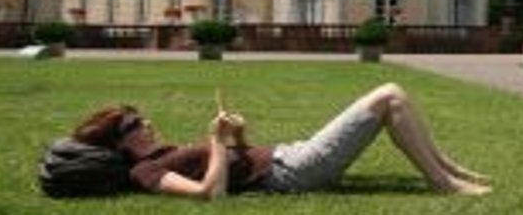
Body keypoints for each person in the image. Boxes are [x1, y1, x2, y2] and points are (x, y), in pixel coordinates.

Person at [70, 83, 491, 199]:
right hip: (294, 172)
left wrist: (235, 135)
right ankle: (443, 181)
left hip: (290, 156)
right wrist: (215, 141)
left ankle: (447, 170)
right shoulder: (146, 170)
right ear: (122, 144)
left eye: (139, 117)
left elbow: (236, 163)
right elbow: (207, 194)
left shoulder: (160, 153)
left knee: (393, 95)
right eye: (133, 125)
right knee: (389, 95)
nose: (145, 123)